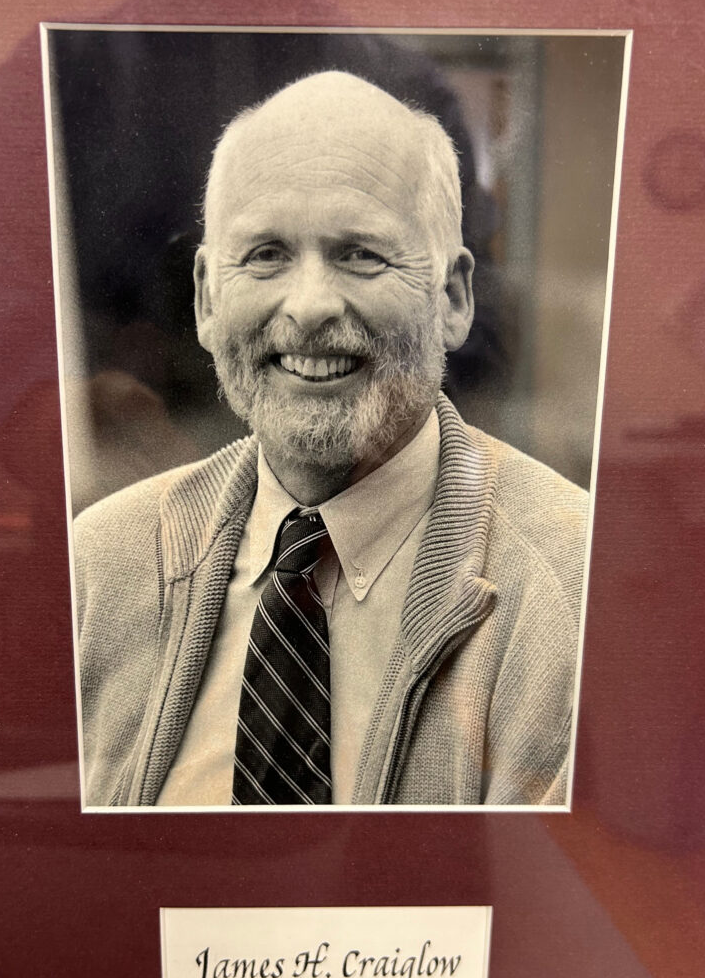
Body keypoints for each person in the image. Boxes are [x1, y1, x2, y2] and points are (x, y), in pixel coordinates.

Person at [74, 71, 587, 808]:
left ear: (453, 298)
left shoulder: (575, 590)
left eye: (360, 254)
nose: (310, 307)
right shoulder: (99, 565)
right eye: (266, 255)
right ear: (206, 299)